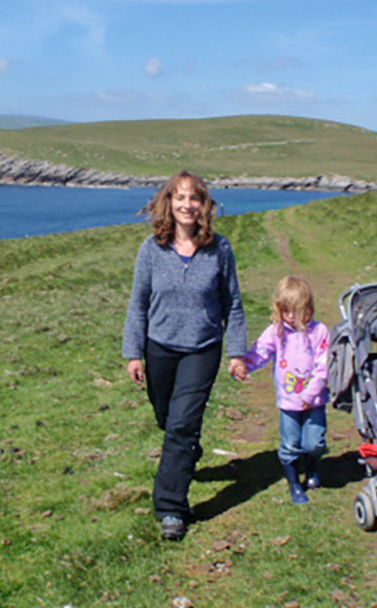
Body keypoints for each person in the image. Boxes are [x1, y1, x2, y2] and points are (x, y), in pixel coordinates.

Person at [123, 170, 248, 541]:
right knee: (167, 418)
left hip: (202, 349)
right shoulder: (151, 249)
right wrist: (133, 352)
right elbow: (138, 304)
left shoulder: (220, 249)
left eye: (194, 198)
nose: (187, 205)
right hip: (159, 346)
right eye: (180, 197)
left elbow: (234, 305)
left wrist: (237, 352)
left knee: (181, 426)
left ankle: (171, 508)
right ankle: (187, 451)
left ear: (204, 205)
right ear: (168, 203)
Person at [236, 276, 330, 504]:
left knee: (315, 442)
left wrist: (310, 394)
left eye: (297, 312)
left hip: (314, 400)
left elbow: (324, 366)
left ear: (308, 309)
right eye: (286, 312)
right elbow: (261, 351)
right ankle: (295, 485)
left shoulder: (319, 332)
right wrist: (244, 365)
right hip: (289, 401)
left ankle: (312, 466)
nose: (292, 318)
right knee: (290, 444)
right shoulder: (276, 332)